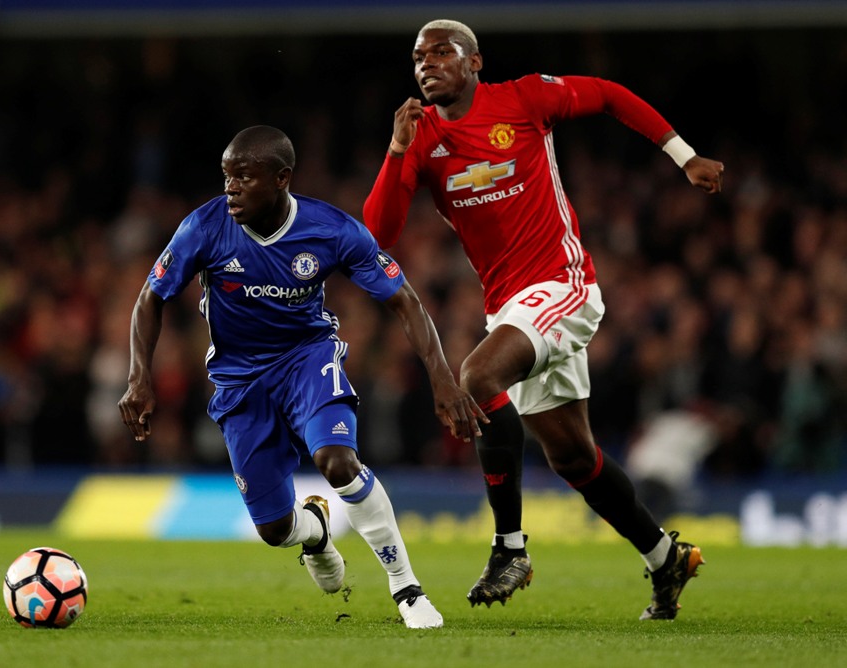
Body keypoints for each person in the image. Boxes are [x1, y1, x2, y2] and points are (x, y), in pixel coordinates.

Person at [363, 20, 724, 620]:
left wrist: (682, 156)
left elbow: (609, 94)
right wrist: (397, 150)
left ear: (475, 61)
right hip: (510, 307)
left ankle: (509, 548)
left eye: (442, 52)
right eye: (418, 57)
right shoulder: (422, 137)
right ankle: (666, 558)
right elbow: (378, 235)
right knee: (572, 458)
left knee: (477, 376)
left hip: (564, 285)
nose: (427, 64)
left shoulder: (525, 98)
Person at [119, 125, 487, 629]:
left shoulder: (332, 230)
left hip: (306, 360)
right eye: (227, 176)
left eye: (245, 177)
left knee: (337, 462)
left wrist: (442, 379)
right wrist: (139, 376)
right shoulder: (202, 228)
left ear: (282, 178)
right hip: (238, 380)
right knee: (273, 529)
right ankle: (314, 530)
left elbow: (404, 300)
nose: (231, 188)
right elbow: (150, 298)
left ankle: (407, 589)